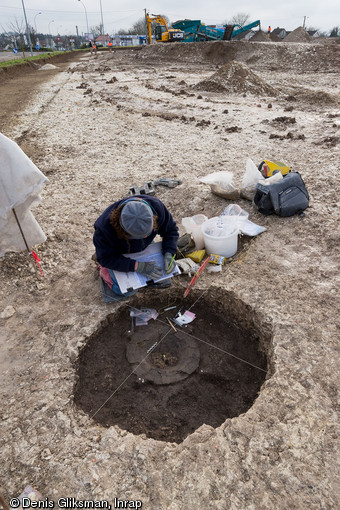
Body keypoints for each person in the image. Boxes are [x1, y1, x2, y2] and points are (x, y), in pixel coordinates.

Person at [93, 196, 179, 302]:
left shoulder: (157, 207)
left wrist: (169, 252)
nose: (143, 237)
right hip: (118, 253)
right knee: (124, 290)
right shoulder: (104, 229)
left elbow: (171, 231)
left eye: (145, 235)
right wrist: (138, 266)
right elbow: (105, 258)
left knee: (163, 280)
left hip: (143, 247)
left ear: (153, 219)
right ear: (121, 228)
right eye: (136, 236)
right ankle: (104, 271)